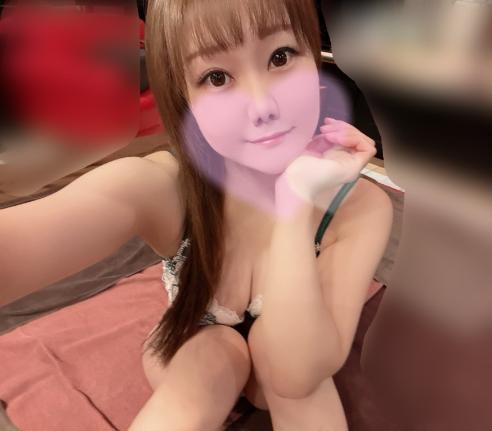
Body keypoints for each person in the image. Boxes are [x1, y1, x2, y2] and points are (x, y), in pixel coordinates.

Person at [0, 0, 393, 430]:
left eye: (280, 56)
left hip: (297, 356)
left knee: (300, 389)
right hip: (192, 346)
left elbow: (296, 376)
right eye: (217, 77)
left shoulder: (358, 206)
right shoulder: (165, 186)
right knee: (210, 356)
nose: (262, 104)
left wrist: (295, 203)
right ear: (183, 95)